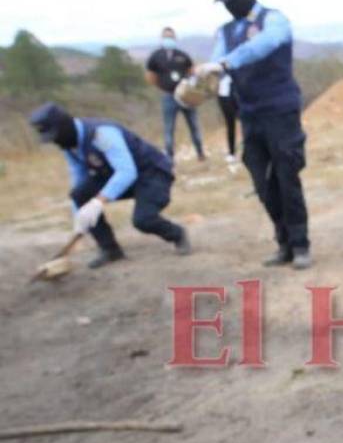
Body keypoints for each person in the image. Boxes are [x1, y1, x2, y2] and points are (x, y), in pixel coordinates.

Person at [197, 0, 312, 269]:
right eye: (222, 0)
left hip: (280, 110)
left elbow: (265, 45)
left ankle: (300, 244)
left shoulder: (273, 19)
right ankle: (283, 243)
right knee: (263, 184)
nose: (228, 4)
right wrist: (197, 84)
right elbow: (216, 65)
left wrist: (226, 63)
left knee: (287, 177)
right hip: (249, 114)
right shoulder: (226, 32)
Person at [29, 103, 190, 268]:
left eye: (55, 135)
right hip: (116, 176)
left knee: (143, 220)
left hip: (151, 173)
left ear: (65, 126)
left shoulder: (101, 134)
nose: (55, 141)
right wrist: (79, 218)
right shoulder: (69, 145)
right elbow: (79, 178)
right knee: (79, 194)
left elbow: (127, 171)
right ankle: (110, 250)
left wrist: (98, 201)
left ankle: (177, 234)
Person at [144, 27, 205, 161]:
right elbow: (150, 76)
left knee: (194, 125)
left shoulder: (182, 55)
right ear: (162, 39)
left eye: (171, 37)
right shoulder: (155, 56)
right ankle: (170, 157)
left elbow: (192, 71)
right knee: (169, 128)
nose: (168, 40)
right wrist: (161, 87)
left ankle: (200, 153)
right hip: (169, 96)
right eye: (166, 37)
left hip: (186, 95)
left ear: (175, 39)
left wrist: (190, 87)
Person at [217, 72, 239, 165]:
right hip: (224, 95)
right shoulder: (219, 59)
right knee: (230, 124)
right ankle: (232, 152)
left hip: (239, 91)